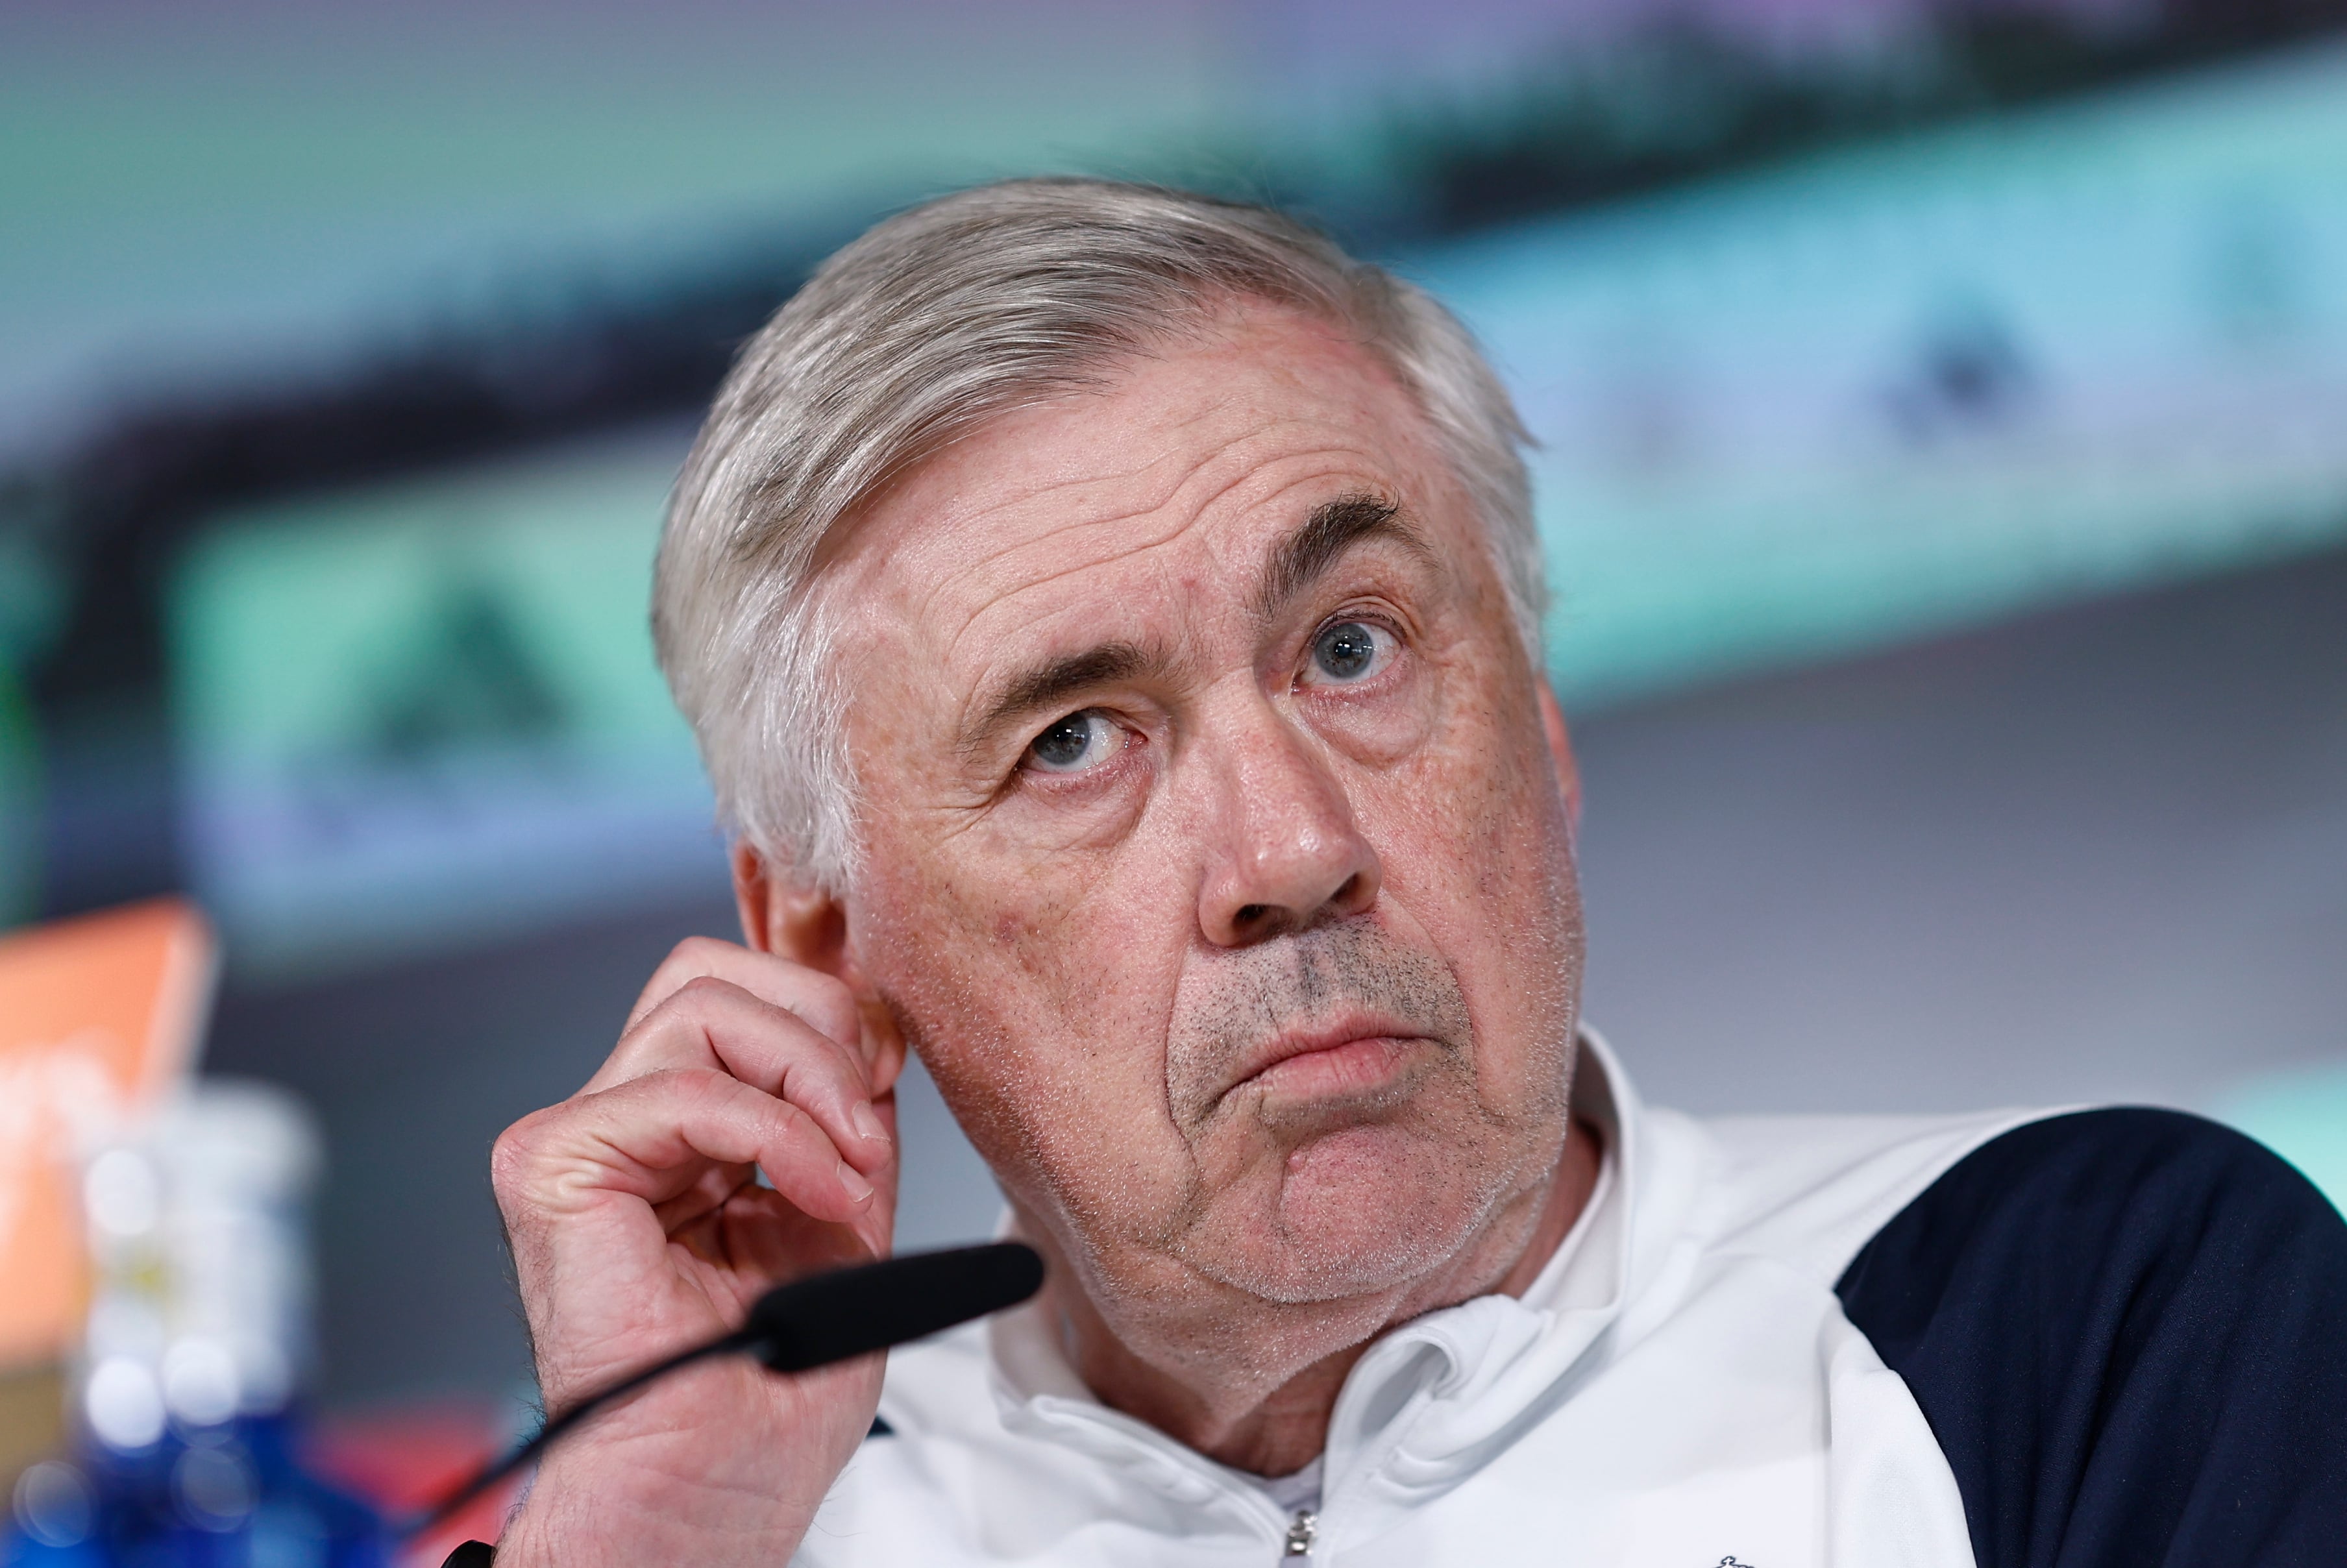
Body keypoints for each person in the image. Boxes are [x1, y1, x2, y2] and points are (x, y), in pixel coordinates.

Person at [478, 179, 2347, 1567]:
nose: (1290, 854)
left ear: (1538, 733)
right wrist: (651, 1538)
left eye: (1354, 648)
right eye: (1073, 740)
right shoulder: (744, 1514)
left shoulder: (2091, 1310)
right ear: (827, 947)